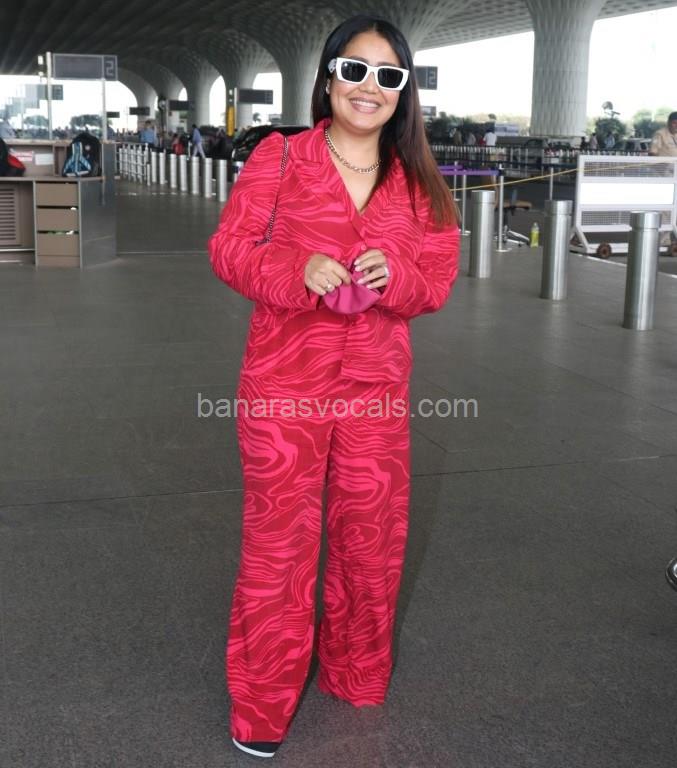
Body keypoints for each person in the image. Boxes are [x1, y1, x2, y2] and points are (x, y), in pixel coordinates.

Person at [208, 14, 460, 760]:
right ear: (328, 77)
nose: (368, 87)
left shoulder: (418, 181)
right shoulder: (281, 157)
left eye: (388, 75)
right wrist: (296, 270)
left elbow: (436, 280)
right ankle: (261, 704)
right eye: (354, 69)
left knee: (369, 540)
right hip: (284, 384)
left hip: (375, 389)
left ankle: (355, 672)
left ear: (403, 92)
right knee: (279, 546)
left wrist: (397, 276)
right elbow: (228, 248)